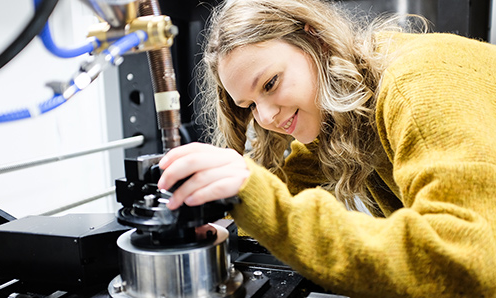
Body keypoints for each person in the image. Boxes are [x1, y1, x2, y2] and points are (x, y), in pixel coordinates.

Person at [156, 0, 496, 296]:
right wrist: (221, 224)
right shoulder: (341, 114)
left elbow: (468, 261)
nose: (268, 116)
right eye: (250, 105)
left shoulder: (418, 87)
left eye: (271, 84)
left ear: (313, 39)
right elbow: (289, 192)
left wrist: (260, 199)